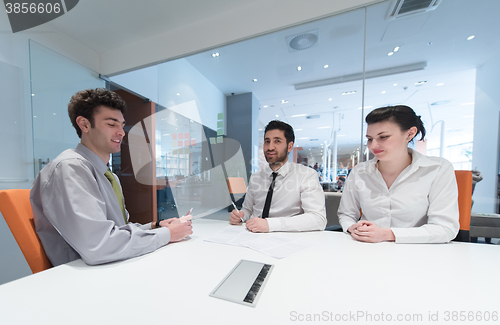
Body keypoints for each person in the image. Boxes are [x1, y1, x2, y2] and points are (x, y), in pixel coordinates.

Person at [30, 88, 193, 267]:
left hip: (110, 266)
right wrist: (168, 234)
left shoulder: (108, 175)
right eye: (111, 124)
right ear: (84, 124)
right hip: (83, 277)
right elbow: (99, 246)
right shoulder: (70, 168)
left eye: (122, 125)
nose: (121, 132)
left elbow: (115, 231)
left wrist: (155, 226)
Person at [337, 105, 459, 243]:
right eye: (370, 139)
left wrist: (386, 234)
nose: (373, 146)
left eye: (383, 137)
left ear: (410, 133)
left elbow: (445, 228)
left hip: (418, 251)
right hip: (366, 248)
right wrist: (352, 227)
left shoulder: (437, 169)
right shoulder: (359, 172)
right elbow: (346, 214)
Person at [229, 120, 326, 232]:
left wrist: (270, 225)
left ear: (289, 146)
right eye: (267, 141)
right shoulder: (255, 177)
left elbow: (318, 219)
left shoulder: (306, 175)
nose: (270, 147)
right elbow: (247, 210)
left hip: (286, 239)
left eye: (277, 141)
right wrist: (240, 216)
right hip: (252, 234)